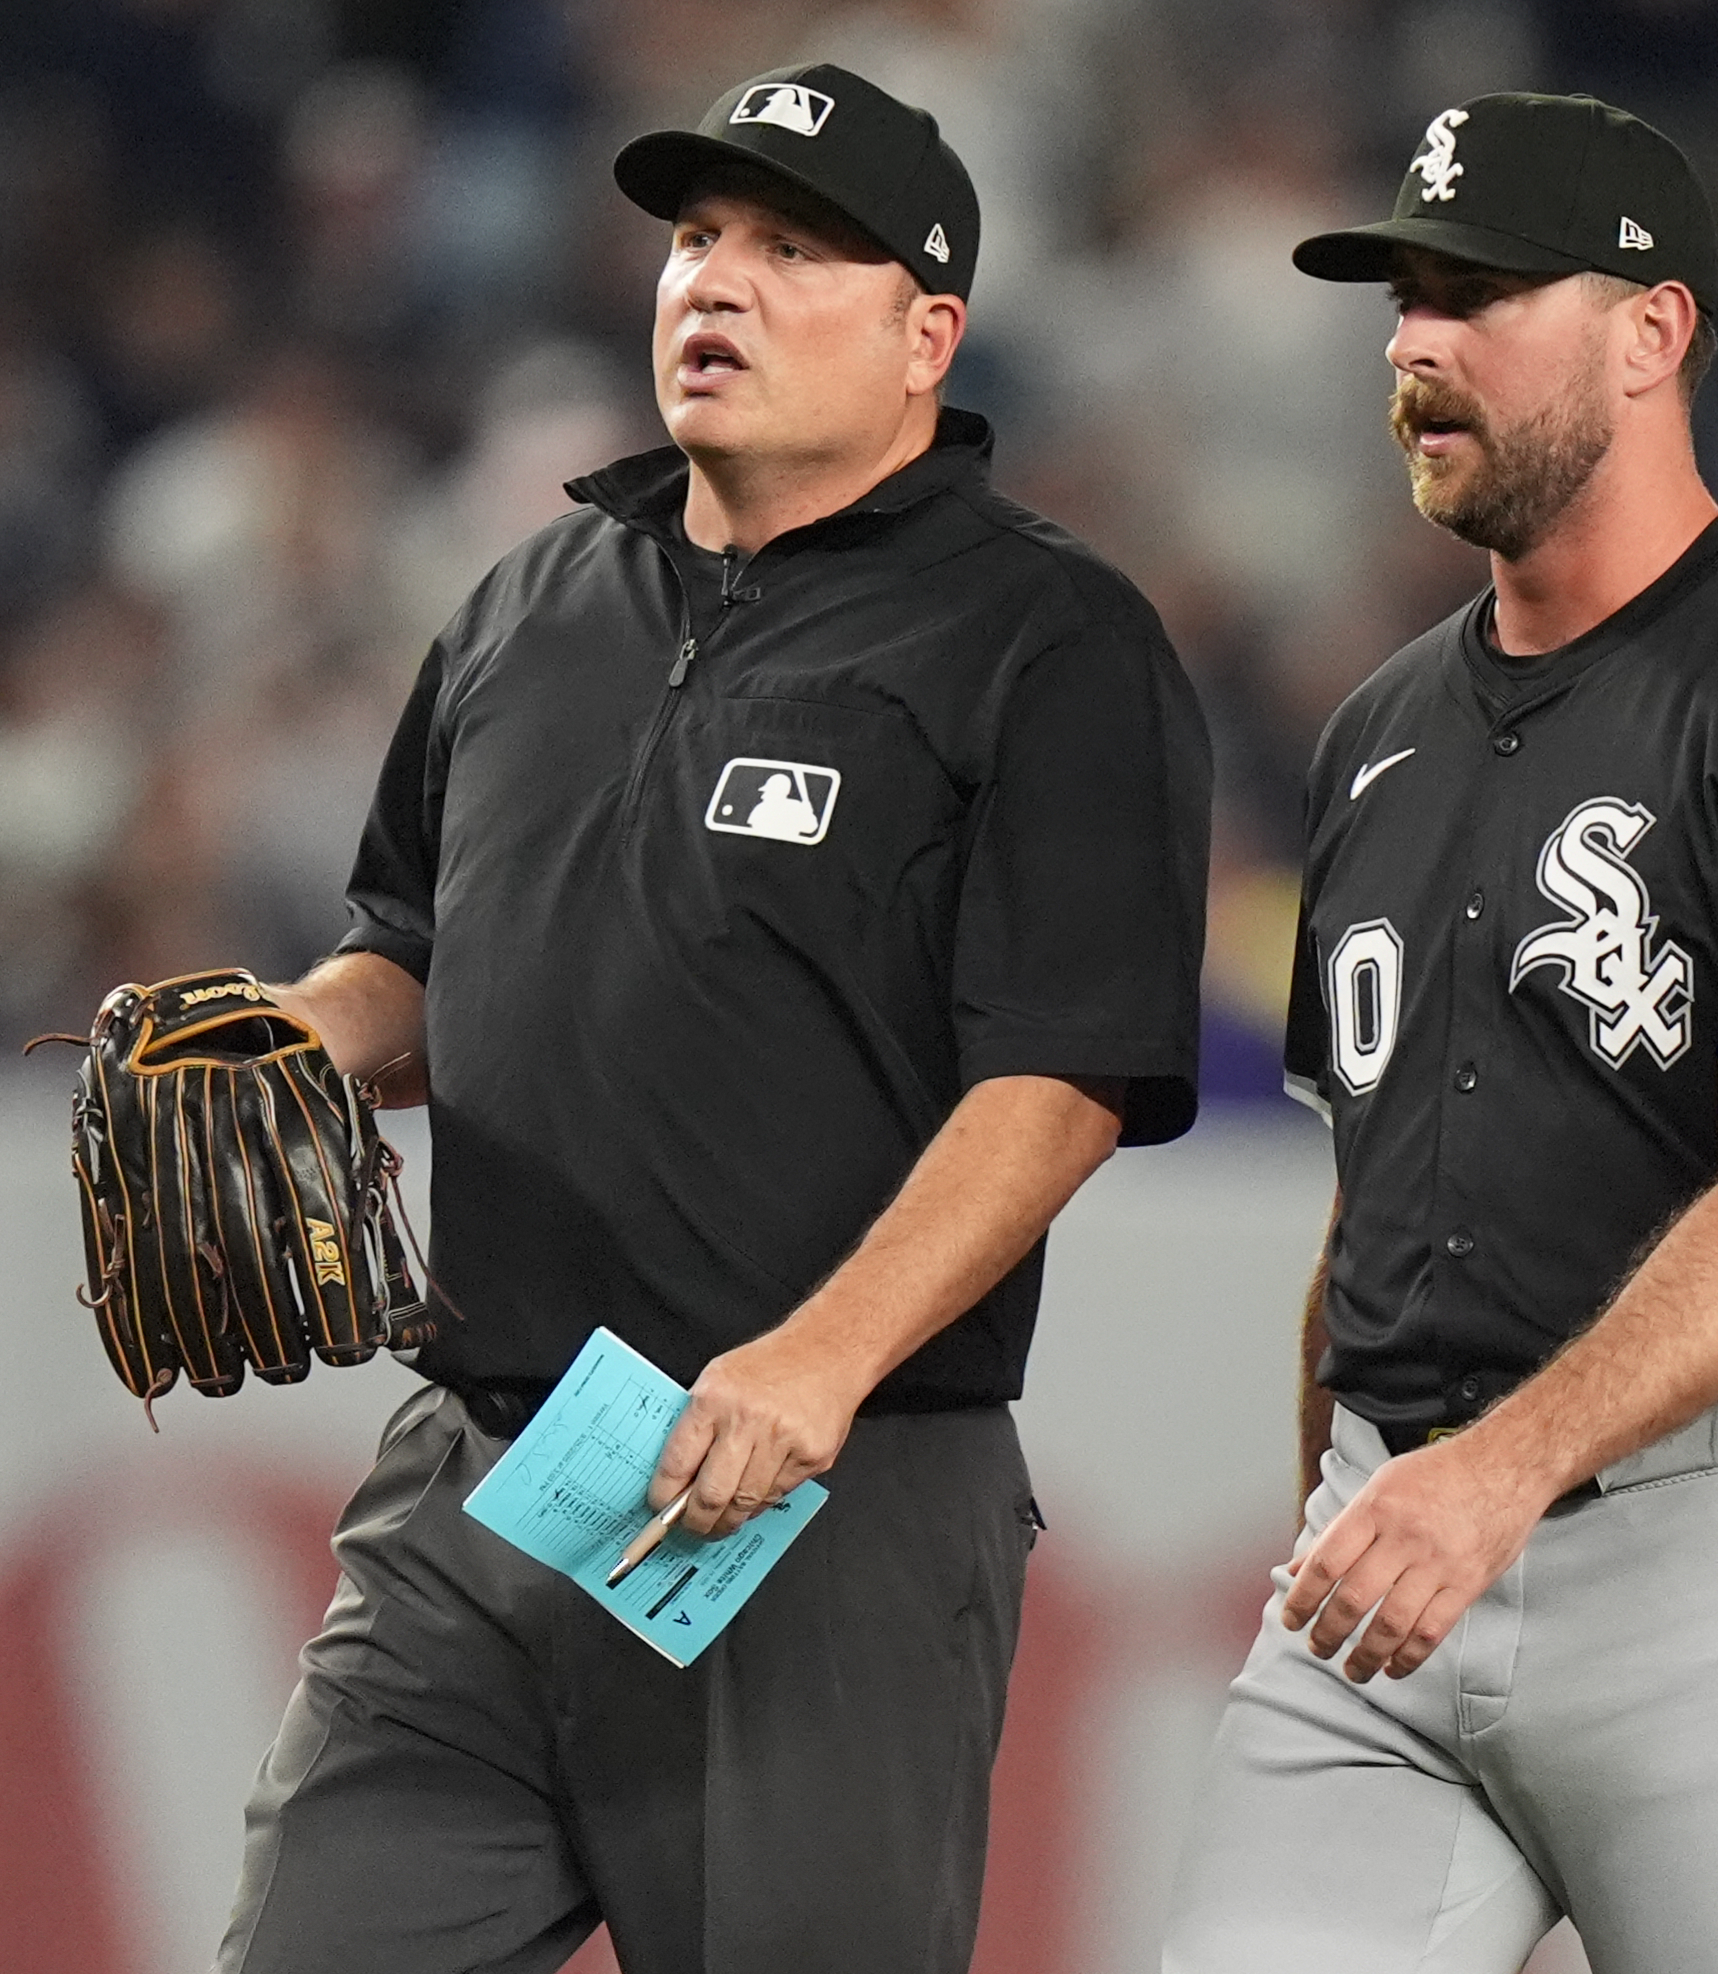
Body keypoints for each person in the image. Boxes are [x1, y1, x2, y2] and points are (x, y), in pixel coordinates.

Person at [218, 63, 1211, 1974]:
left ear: (931, 332)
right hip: (489, 1461)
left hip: (823, 1493)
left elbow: (1068, 1072)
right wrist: (307, 1032)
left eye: (790, 247)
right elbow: (418, 952)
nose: (714, 283)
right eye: (694, 237)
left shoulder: (1042, 637)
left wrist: (821, 1357)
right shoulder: (530, 601)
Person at [1162, 92, 1718, 1973]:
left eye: (1481, 292)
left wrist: (1499, 1466)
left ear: (1653, 332)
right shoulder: (1376, 733)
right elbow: (1362, 1214)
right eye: (1404, 298)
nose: (1414, 342)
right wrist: (1351, 1489)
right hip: (1390, 1568)